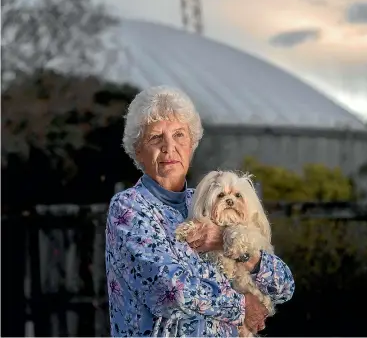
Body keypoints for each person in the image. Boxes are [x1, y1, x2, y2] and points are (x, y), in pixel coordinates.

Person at [105, 85, 295, 337]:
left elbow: (283, 286)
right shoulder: (129, 208)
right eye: (155, 137)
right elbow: (169, 291)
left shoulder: (209, 200)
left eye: (179, 135)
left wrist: (229, 244)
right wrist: (241, 306)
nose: (169, 147)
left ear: (192, 145)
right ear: (137, 150)